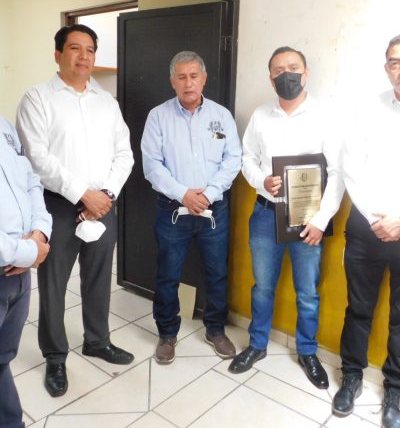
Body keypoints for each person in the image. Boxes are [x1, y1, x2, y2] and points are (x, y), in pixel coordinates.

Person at [16, 24, 134, 398]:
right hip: (58, 206)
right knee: (53, 284)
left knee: (99, 277)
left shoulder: (107, 103)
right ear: (58, 55)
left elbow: (124, 153)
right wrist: (83, 194)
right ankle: (55, 356)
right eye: (75, 48)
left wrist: (105, 195)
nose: (84, 57)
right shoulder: (37, 99)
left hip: (103, 205)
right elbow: (38, 158)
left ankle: (97, 341)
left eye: (90, 50)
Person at [228, 46, 344, 389]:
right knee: (263, 286)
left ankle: (307, 352)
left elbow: (337, 173)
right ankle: (257, 344)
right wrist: (261, 180)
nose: (286, 75)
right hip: (266, 214)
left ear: (306, 73)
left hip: (310, 218)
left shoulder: (325, 115)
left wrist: (321, 220)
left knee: (307, 291)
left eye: (293, 68)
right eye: (278, 70)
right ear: (270, 78)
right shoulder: (261, 116)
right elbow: (246, 159)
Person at [141, 50, 241, 364]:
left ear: (204, 78)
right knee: (168, 275)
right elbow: (152, 165)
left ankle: (215, 329)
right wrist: (184, 194)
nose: (188, 83)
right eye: (181, 77)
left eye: (194, 76)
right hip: (173, 210)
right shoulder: (158, 116)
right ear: (172, 81)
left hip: (214, 211)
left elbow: (233, 159)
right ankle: (167, 333)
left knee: (216, 273)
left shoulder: (221, 116)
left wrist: (208, 194)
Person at [332, 35, 400, 428]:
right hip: (366, 225)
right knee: (358, 308)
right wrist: (379, 218)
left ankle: (395, 388)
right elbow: (351, 166)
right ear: (386, 68)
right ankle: (352, 376)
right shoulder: (367, 109)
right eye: (394, 62)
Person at [0, 115, 51, 428]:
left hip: (19, 274)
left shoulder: (5, 126)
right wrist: (28, 252)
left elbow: (31, 182)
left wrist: (41, 232)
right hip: (14, 259)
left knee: (2, 359)